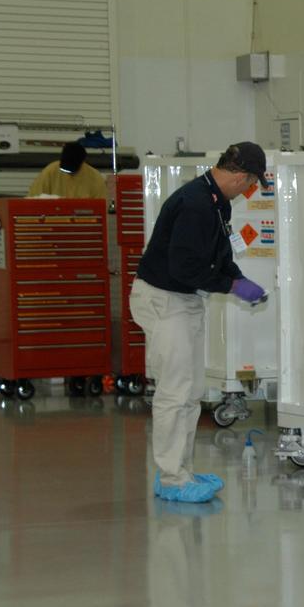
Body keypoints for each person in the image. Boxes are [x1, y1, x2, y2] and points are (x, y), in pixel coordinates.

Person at [129, 142, 270, 503]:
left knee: (191, 392)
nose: (251, 190)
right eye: (253, 182)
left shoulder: (215, 202)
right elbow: (184, 267)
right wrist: (231, 285)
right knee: (174, 393)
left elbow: (219, 253)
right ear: (241, 176)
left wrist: (236, 277)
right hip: (165, 299)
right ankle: (171, 477)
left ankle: (182, 470)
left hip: (184, 299)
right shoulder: (194, 204)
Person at [27, 141, 107, 199]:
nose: (68, 173)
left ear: (82, 162)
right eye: (64, 170)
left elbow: (102, 208)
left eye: (72, 170)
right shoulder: (50, 172)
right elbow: (32, 199)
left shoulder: (95, 179)